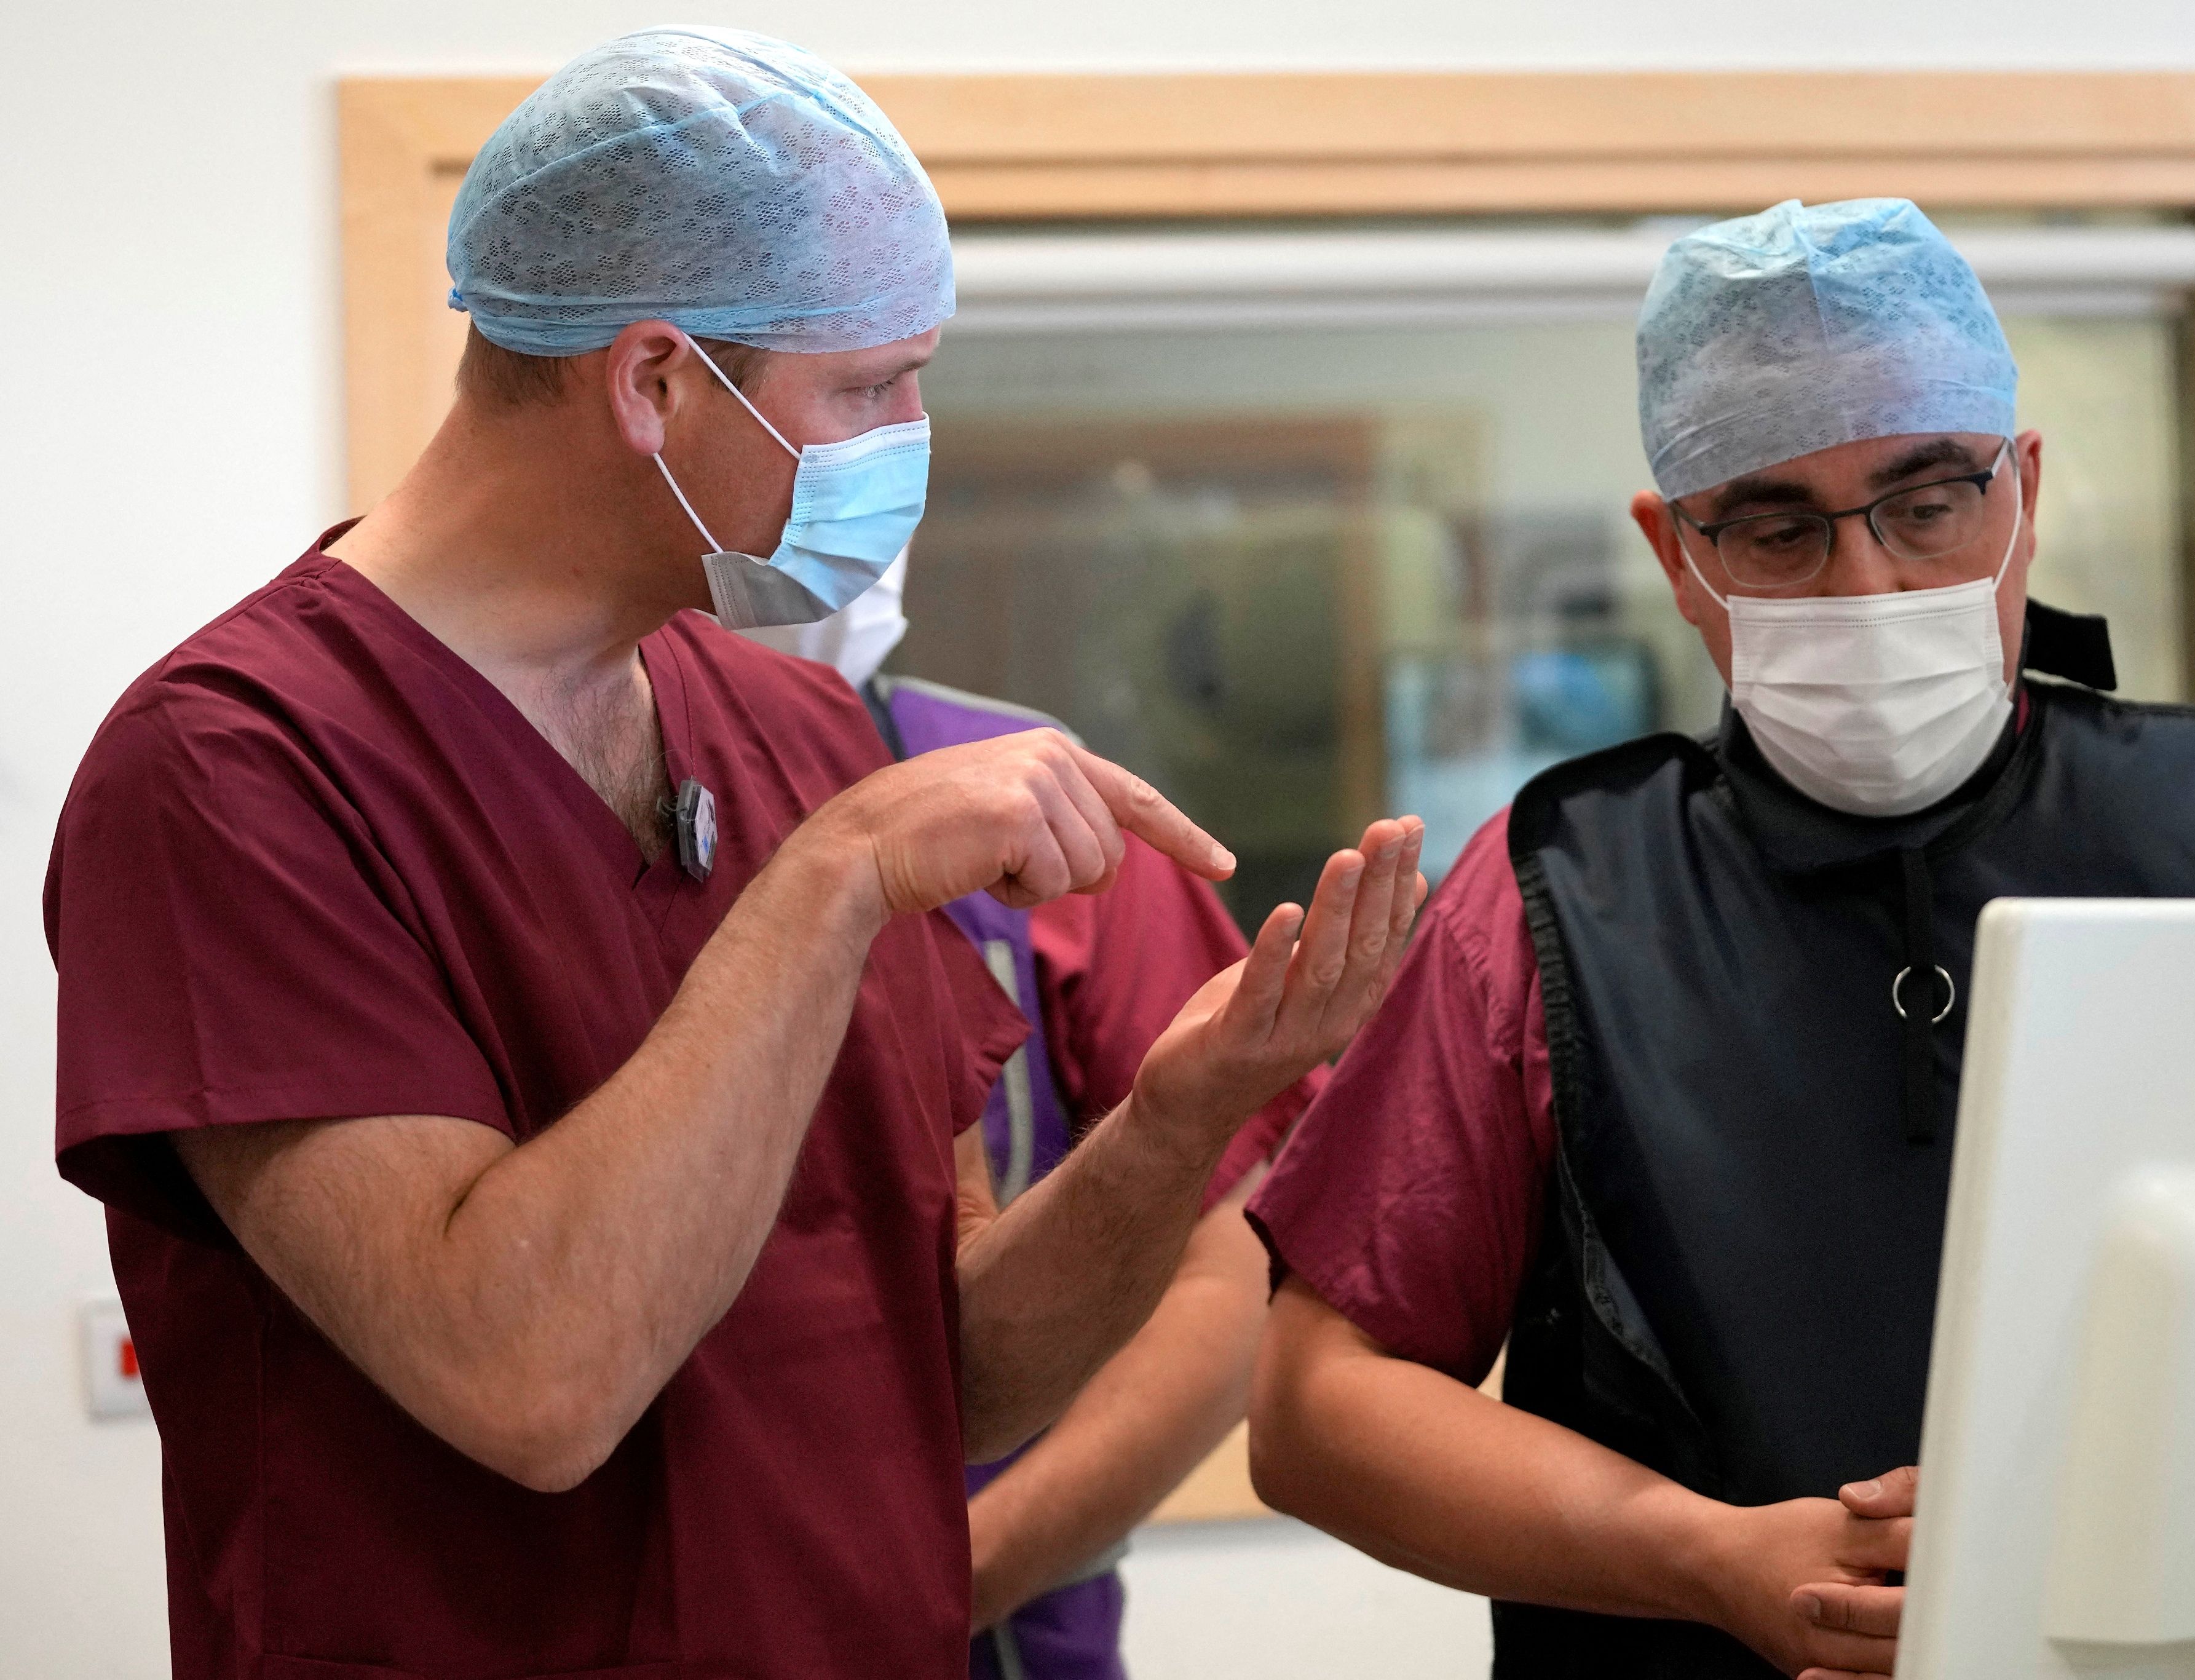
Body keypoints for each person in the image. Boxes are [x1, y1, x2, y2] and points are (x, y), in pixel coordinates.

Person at [46, 30, 1426, 1680]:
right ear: (653, 381)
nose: (913, 435)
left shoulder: (784, 728)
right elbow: (528, 1380)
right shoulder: (235, 770)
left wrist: (1172, 1122)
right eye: (865, 388)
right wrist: (829, 882)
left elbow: (953, 1370)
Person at [1242, 197, 2195, 1680]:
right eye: (1776, 528)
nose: (1868, 586)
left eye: (1926, 503)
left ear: (2022, 493)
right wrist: (1698, 1555)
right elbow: (1314, 1407)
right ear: (1677, 556)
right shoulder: (1556, 896)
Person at [777, 562, 1313, 1679]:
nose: (889, 443)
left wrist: (960, 1573)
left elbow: (1241, 1256)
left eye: (894, 390)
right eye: (854, 394)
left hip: (996, 1630)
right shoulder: (546, 796)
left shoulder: (1029, 802)